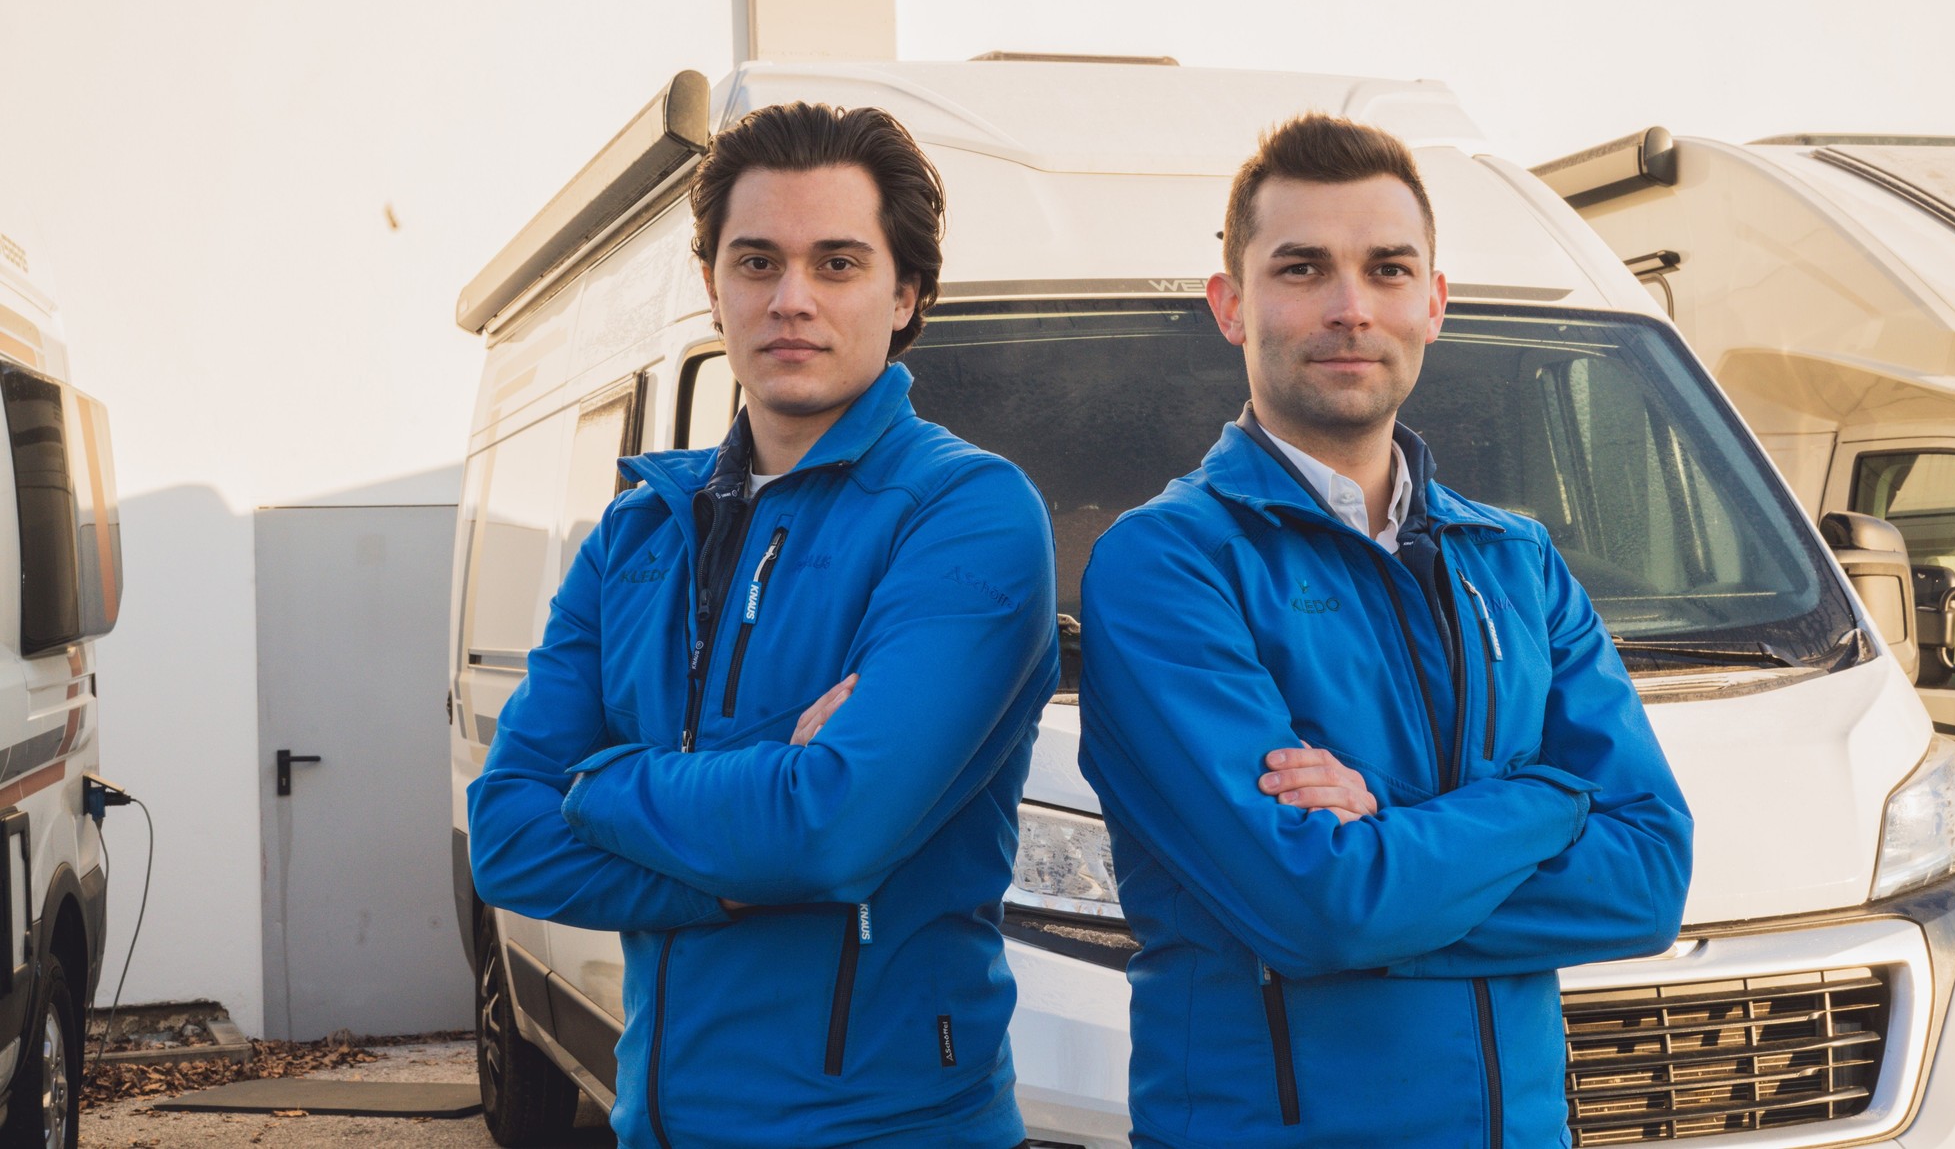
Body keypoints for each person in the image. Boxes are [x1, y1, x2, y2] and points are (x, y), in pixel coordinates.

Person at [1077, 114, 1693, 1147]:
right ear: (1230, 304)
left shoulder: (1515, 559)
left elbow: (1648, 875)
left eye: (1387, 269)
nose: (1349, 307)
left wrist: (1390, 833)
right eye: (1302, 268)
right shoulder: (1166, 562)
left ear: (1433, 303)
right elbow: (1319, 905)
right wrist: (1547, 797)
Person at [467, 102, 1058, 1149]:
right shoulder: (638, 528)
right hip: (659, 1117)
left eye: (836, 263)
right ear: (712, 287)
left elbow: (832, 828)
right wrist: (749, 856)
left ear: (905, 290)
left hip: (891, 1129)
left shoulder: (965, 511)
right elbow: (509, 839)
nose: (791, 300)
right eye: (755, 262)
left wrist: (604, 782)